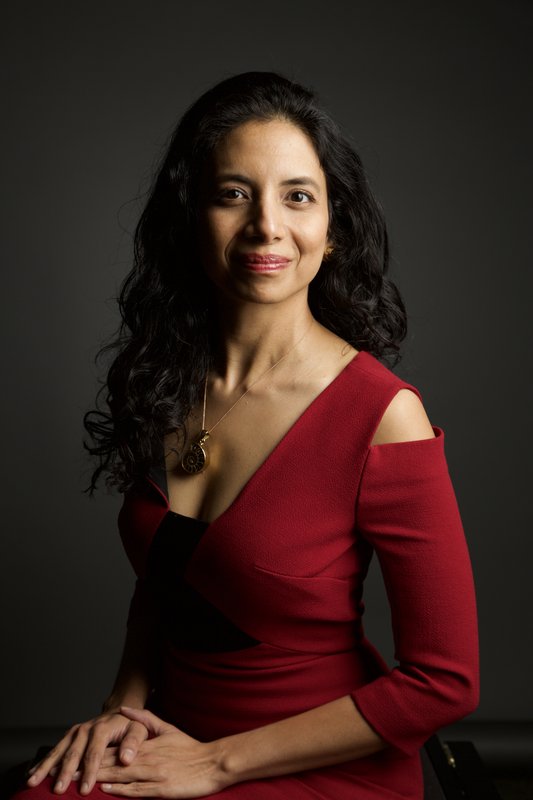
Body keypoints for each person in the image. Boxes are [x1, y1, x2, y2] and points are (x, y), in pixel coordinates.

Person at [16, 71, 479, 800]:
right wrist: (121, 708)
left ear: (333, 229)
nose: (266, 225)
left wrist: (215, 764)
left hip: (316, 768)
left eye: (298, 196)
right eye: (233, 194)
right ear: (189, 217)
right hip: (169, 741)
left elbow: (444, 682)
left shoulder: (383, 415)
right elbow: (167, 577)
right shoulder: (172, 384)